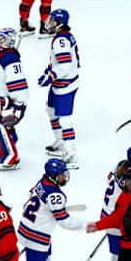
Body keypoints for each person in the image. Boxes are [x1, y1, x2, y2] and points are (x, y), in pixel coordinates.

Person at [17, 158, 87, 261]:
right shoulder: (55, 194)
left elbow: (31, 198)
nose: (65, 177)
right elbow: (64, 222)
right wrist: (86, 225)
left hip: (28, 228)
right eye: (62, 174)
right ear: (55, 176)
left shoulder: (42, 181)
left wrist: (49, 211)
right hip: (37, 235)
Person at [39, 9, 80, 167]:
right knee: (51, 110)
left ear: (60, 23)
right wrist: (48, 72)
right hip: (59, 83)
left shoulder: (60, 40)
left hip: (66, 84)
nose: (50, 23)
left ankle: (71, 153)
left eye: (53, 20)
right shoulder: (62, 37)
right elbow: (57, 62)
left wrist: (50, 76)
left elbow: (65, 65)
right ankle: (61, 141)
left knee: (64, 118)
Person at [0, 27, 28, 171]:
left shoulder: (11, 59)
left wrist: (19, 103)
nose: (0, 40)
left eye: (3, 38)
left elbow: (17, 82)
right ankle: (2, 144)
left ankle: (10, 155)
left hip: (0, 98)